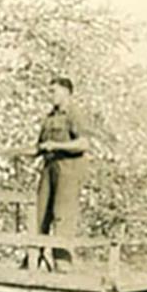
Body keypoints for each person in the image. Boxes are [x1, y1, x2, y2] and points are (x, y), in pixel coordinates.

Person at [35, 76, 90, 269]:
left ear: (66, 92)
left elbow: (83, 143)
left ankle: (62, 265)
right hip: (49, 169)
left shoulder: (74, 114)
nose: (50, 96)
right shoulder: (49, 118)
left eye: (54, 91)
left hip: (68, 170)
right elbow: (40, 145)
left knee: (62, 216)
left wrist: (56, 145)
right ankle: (34, 260)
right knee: (40, 214)